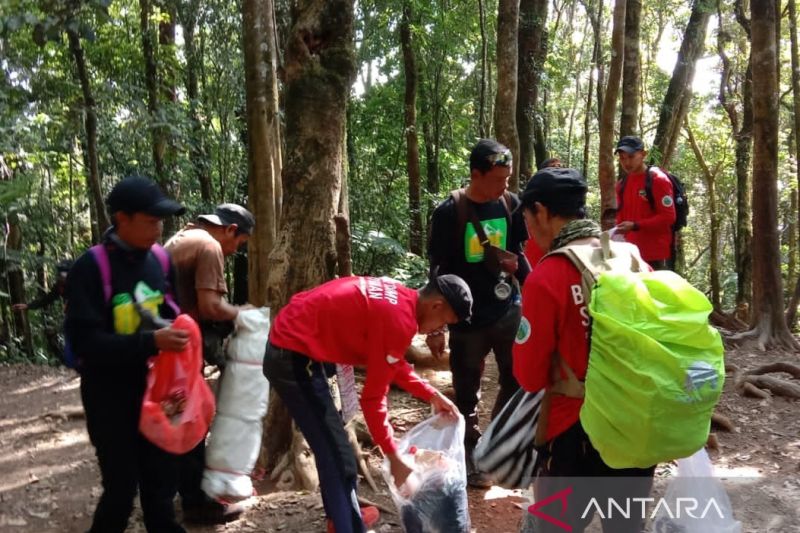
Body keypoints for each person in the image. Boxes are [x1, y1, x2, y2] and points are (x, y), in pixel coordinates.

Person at [262, 274, 468, 533]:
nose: (440, 329)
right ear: (436, 305)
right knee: (337, 456)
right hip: (293, 355)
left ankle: (342, 517)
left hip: (298, 342)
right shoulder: (398, 321)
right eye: (444, 323)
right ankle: (346, 524)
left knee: (336, 451)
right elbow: (372, 400)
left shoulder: (401, 297)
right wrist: (394, 457)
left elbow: (392, 362)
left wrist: (431, 394)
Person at [513, 167, 654, 533]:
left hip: (575, 435)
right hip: (638, 426)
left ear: (541, 212)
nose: (530, 229)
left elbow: (528, 376)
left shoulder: (549, 276)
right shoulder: (632, 260)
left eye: (528, 219)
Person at [65, 175, 189, 533]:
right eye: (150, 221)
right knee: (120, 490)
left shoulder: (162, 261)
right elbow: (88, 344)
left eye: (160, 221)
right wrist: (151, 343)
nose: (158, 228)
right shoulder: (90, 268)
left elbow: (173, 315)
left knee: (162, 486)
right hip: (109, 395)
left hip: (159, 392)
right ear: (122, 218)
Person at [427, 138, 530, 487]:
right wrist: (435, 328)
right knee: (466, 390)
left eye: (508, 178)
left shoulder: (509, 204)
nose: (505, 186)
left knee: (515, 380)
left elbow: (517, 252)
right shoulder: (448, 213)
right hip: (467, 321)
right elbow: (437, 272)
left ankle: (498, 445)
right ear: (476, 174)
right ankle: (471, 453)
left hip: (507, 310)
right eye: (499, 179)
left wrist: (532, 287)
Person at [164, 203, 255, 524]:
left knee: (180, 414)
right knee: (193, 418)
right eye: (239, 243)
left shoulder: (181, 237)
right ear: (230, 230)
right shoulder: (209, 245)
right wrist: (246, 314)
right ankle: (196, 502)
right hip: (178, 347)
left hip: (166, 344)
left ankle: (177, 492)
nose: (234, 250)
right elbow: (211, 305)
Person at [614, 135, 676, 270]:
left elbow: (668, 217)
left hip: (656, 255)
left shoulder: (658, 180)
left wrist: (636, 225)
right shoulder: (621, 185)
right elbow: (620, 217)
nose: (626, 162)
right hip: (630, 256)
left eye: (631, 157)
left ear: (643, 154)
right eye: (622, 158)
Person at [524, 156, 563, 268]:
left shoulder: (568, 201)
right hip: (535, 254)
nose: (557, 170)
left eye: (560, 167)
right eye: (553, 167)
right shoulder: (533, 197)